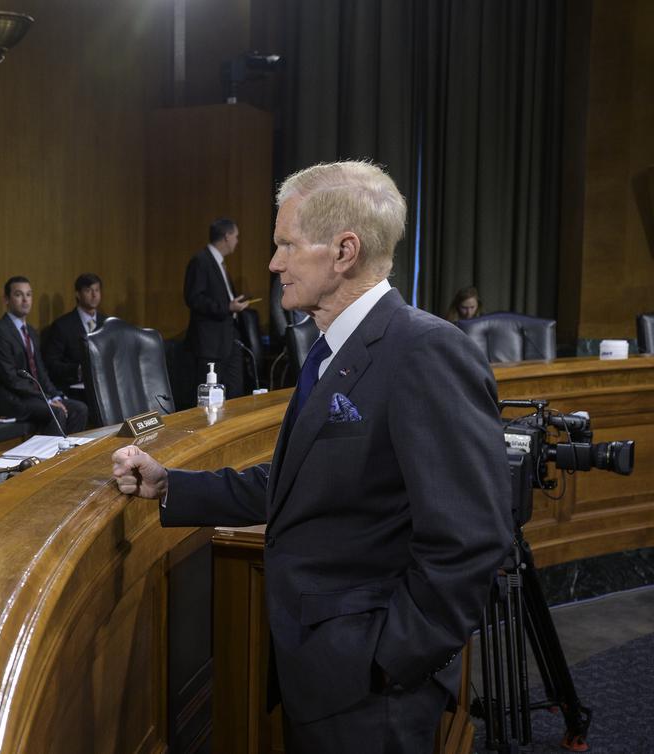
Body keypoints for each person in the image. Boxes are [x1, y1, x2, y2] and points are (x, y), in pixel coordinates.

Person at [112, 161, 512, 752]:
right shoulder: (333, 347)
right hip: (322, 673)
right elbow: (299, 480)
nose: (273, 263)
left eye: (286, 245)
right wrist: (171, 485)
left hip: (371, 693)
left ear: (343, 251)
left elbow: (470, 538)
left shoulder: (426, 352)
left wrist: (387, 661)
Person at [0, 276, 88, 435]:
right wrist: (46, 399)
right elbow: (11, 379)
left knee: (80, 409)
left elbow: (40, 372)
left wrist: (55, 395)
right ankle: (51, 459)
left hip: (31, 397)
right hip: (10, 400)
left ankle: (69, 454)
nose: (25, 300)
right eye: (18, 295)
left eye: (28, 295)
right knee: (55, 412)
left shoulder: (31, 331)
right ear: (6, 299)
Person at [184, 218, 252, 402]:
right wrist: (227, 307)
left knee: (234, 394)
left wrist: (233, 304)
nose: (237, 241)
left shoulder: (219, 262)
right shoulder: (201, 261)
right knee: (209, 400)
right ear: (227, 236)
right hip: (210, 345)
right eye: (236, 236)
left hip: (229, 340)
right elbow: (194, 298)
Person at [41, 273, 104, 401]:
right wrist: (78, 370)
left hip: (105, 388)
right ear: (77, 294)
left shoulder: (108, 323)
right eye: (88, 290)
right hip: (75, 391)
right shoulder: (62, 326)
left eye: (97, 290)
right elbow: (51, 364)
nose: (94, 295)